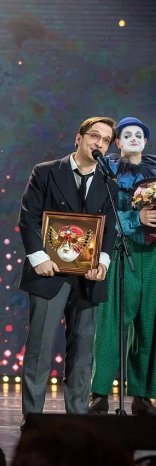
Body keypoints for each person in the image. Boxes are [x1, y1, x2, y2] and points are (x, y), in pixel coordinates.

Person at [18, 116, 117, 422]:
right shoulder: (46, 172)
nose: (99, 143)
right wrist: (39, 258)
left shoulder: (108, 181)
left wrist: (102, 262)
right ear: (79, 138)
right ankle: (33, 419)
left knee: (83, 353)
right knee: (39, 349)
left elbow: (110, 228)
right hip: (49, 273)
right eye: (94, 136)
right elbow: (28, 218)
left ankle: (77, 419)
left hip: (88, 278)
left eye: (105, 140)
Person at [89, 117, 156, 416]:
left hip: (153, 256)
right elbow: (104, 215)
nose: (133, 138)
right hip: (121, 251)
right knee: (112, 324)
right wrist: (136, 219)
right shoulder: (109, 170)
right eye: (126, 134)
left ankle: (143, 394)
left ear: (145, 141)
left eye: (138, 134)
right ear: (117, 142)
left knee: (150, 324)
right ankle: (99, 392)